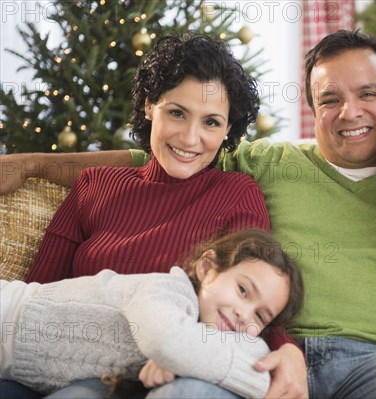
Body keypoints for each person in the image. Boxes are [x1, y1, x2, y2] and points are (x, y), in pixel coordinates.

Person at [1, 29, 376, 398]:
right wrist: (27, 166)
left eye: (367, 94)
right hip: (247, 352)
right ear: (312, 108)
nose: (350, 112)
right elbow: (172, 152)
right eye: (329, 98)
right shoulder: (267, 163)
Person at [0, 32, 305, 398]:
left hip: (163, 375)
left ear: (227, 131)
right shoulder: (93, 185)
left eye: (211, 122)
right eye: (177, 113)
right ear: (149, 106)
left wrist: (289, 351)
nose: (191, 138)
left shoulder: (236, 194)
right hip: (59, 365)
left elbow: (252, 299)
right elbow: (40, 292)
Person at [0, 229, 304, 398]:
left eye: (261, 317)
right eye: (242, 290)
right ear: (208, 267)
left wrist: (183, 358)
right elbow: (167, 339)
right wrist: (176, 353)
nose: (244, 314)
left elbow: (256, 358)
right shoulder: (165, 290)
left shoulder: (208, 336)